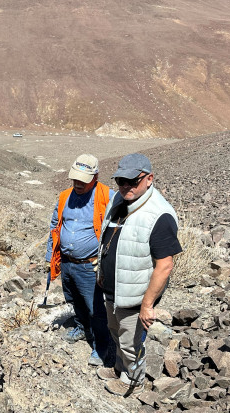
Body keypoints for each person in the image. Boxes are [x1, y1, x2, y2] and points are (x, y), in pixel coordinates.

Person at [95, 153, 182, 396]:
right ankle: (120, 367)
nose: (125, 186)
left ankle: (132, 380)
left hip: (135, 293)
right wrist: (102, 271)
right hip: (114, 288)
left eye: (132, 181)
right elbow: (110, 238)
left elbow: (164, 265)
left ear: (149, 178)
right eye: (121, 180)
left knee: (131, 342)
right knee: (117, 333)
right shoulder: (120, 199)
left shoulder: (159, 215)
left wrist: (147, 304)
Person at [46, 154, 115, 366]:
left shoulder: (107, 197)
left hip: (90, 265)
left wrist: (108, 262)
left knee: (95, 308)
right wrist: (51, 257)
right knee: (74, 299)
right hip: (67, 262)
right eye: (74, 179)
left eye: (82, 180)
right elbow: (55, 225)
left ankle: (101, 346)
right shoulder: (65, 196)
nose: (77, 184)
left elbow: (118, 231)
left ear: (95, 177)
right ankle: (82, 328)